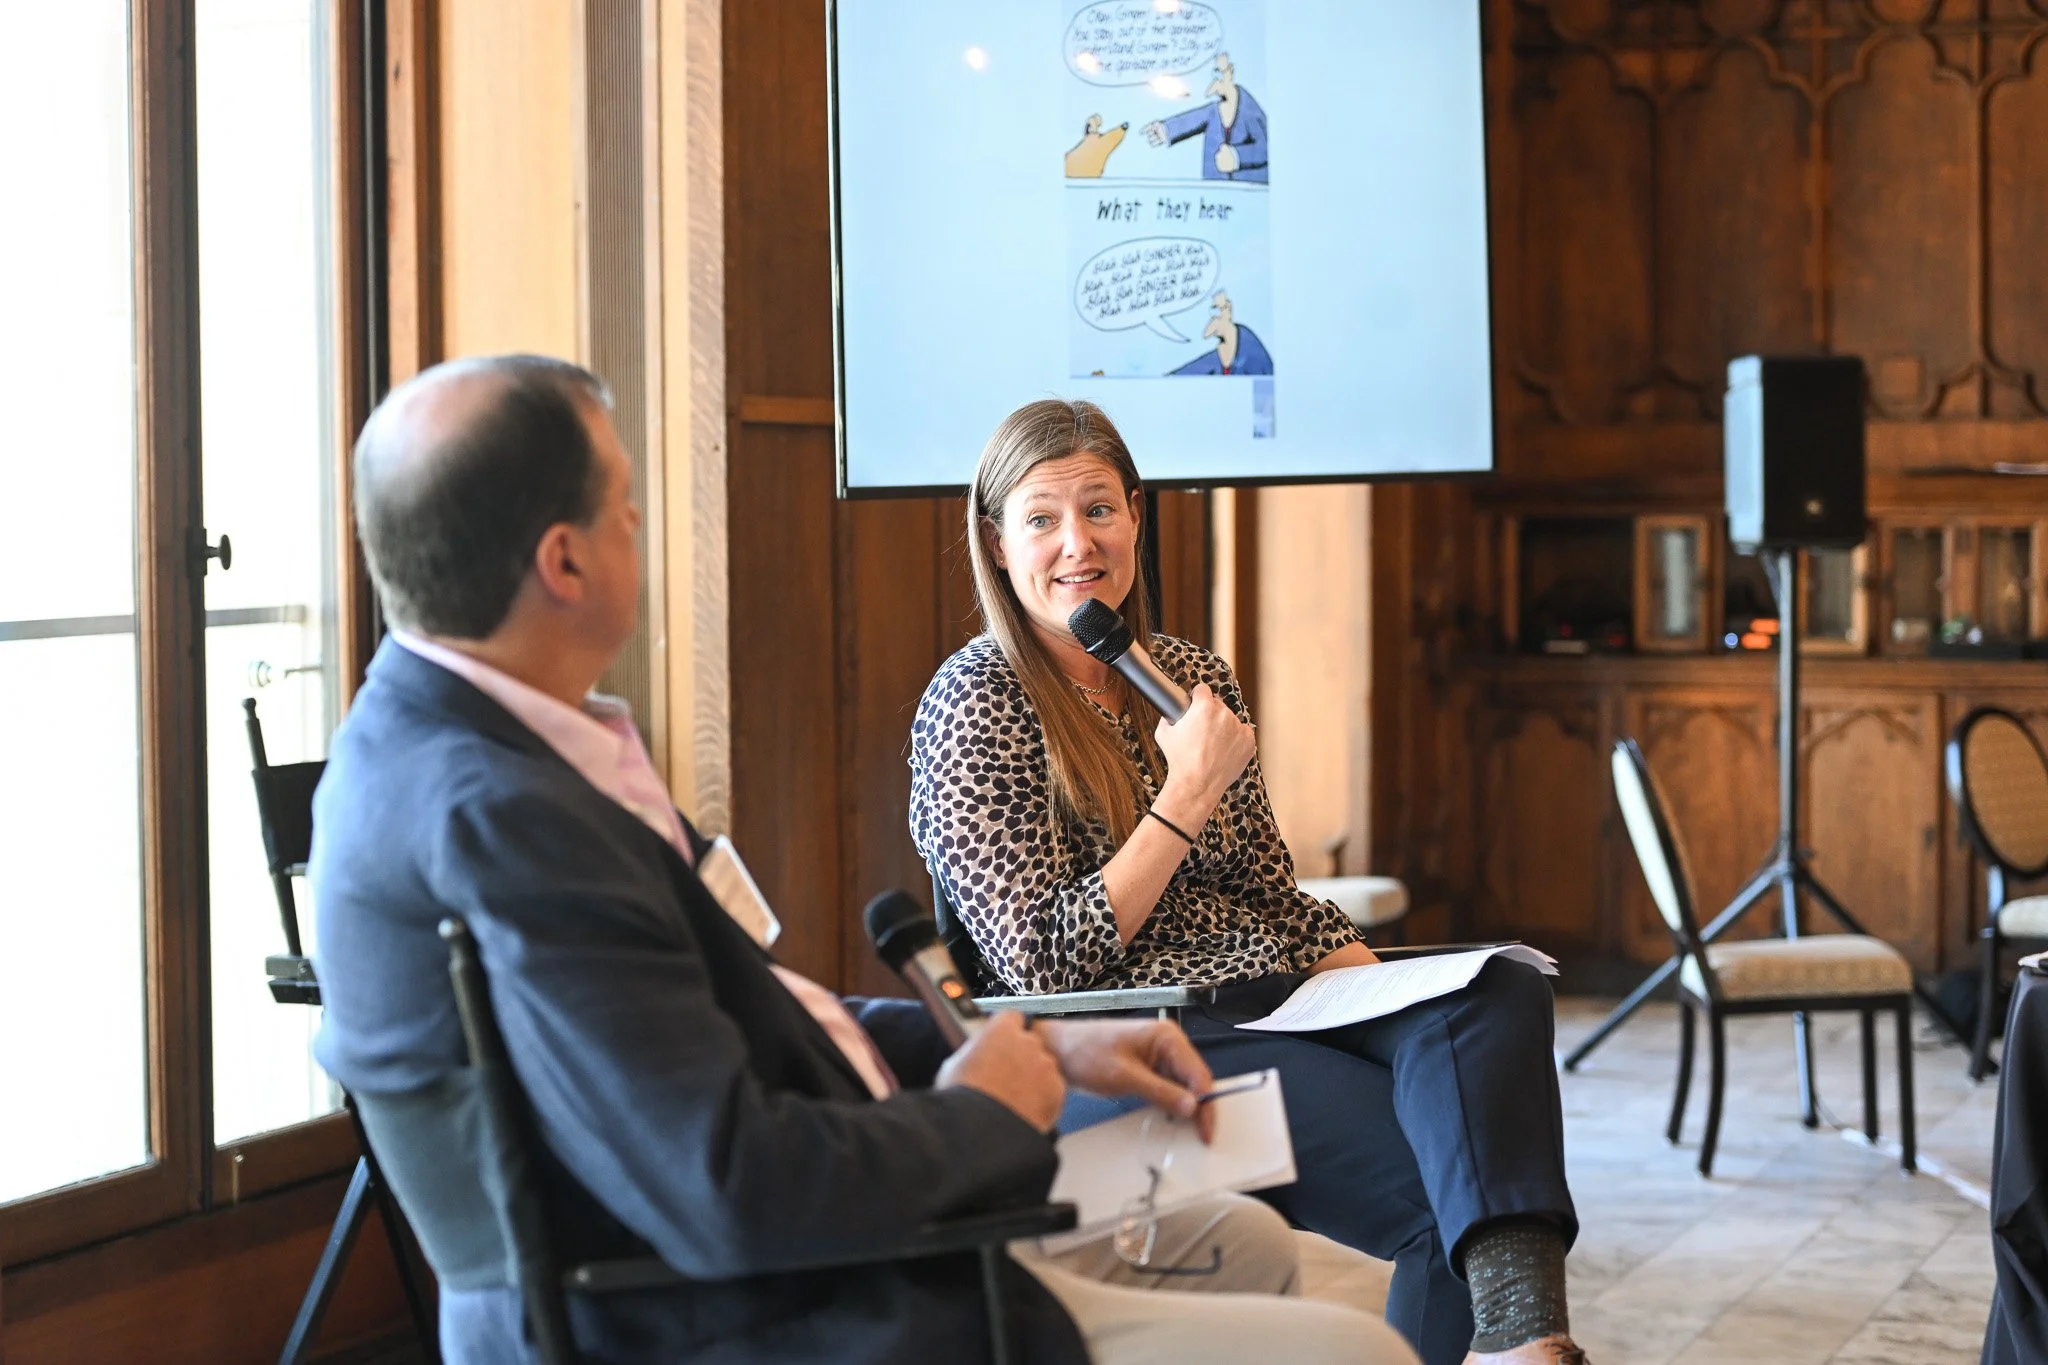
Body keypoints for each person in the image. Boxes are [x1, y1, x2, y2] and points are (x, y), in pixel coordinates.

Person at [310, 355, 1419, 1365]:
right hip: (739, 1312)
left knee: (1235, 1237)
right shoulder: (499, 814)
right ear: (564, 560)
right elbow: (729, 1189)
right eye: (626, 508)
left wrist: (1031, 1042)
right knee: (1355, 1351)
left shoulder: (504, 745)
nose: (641, 525)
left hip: (808, 1232)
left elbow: (743, 1019)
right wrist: (982, 1110)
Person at [908, 398, 1589, 1365]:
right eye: (1042, 518)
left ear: (1137, 515)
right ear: (996, 539)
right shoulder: (975, 701)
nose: (1077, 544)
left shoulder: (1188, 674)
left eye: (1100, 509)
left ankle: (1524, 1338)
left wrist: (1381, 984)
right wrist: (1182, 796)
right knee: (1456, 1189)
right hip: (1148, 1034)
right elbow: (1045, 968)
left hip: (1277, 997)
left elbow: (1271, 894)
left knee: (1494, 988)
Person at [1141, 51, 1268, 182]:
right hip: (1214, 192)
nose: (1216, 81)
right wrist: (1165, 129)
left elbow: (1266, 148)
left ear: (1231, 72)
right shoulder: (1214, 111)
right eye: (1214, 74)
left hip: (1249, 191)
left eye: (1220, 73)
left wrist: (1236, 157)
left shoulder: (1249, 109)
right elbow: (1191, 120)